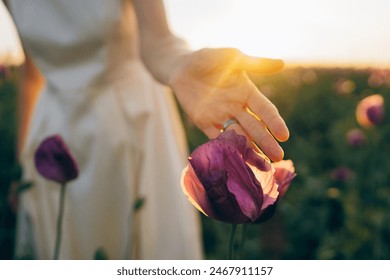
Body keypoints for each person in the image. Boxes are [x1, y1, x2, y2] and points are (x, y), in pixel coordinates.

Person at [7, 0, 289, 259]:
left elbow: (158, 43)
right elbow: (31, 73)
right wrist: (24, 165)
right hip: (53, 126)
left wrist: (180, 64)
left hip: (128, 120)